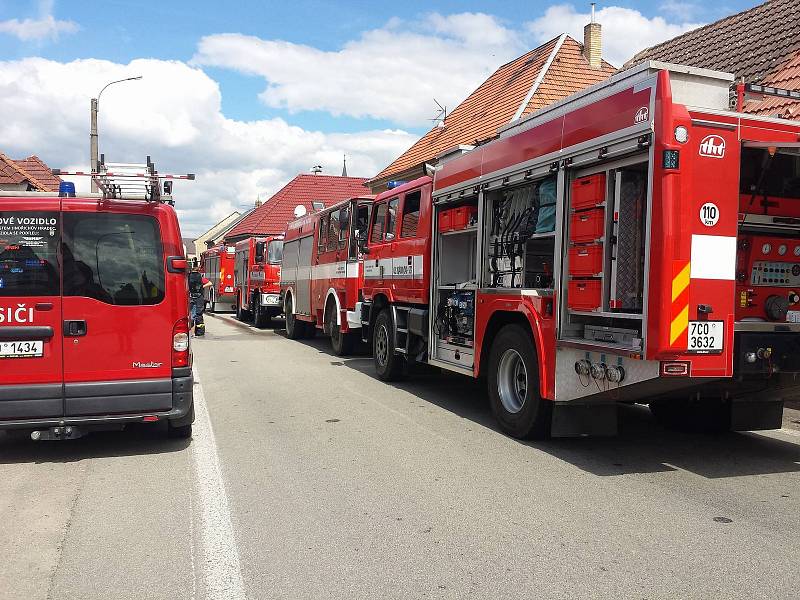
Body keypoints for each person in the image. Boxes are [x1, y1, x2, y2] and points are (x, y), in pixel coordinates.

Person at [188, 267, 212, 336]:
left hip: (191, 297)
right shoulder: (200, 278)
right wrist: (202, 286)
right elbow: (210, 283)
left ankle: (191, 332)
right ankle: (199, 332)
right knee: (199, 314)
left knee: (191, 314)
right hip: (199, 298)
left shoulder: (188, 277)